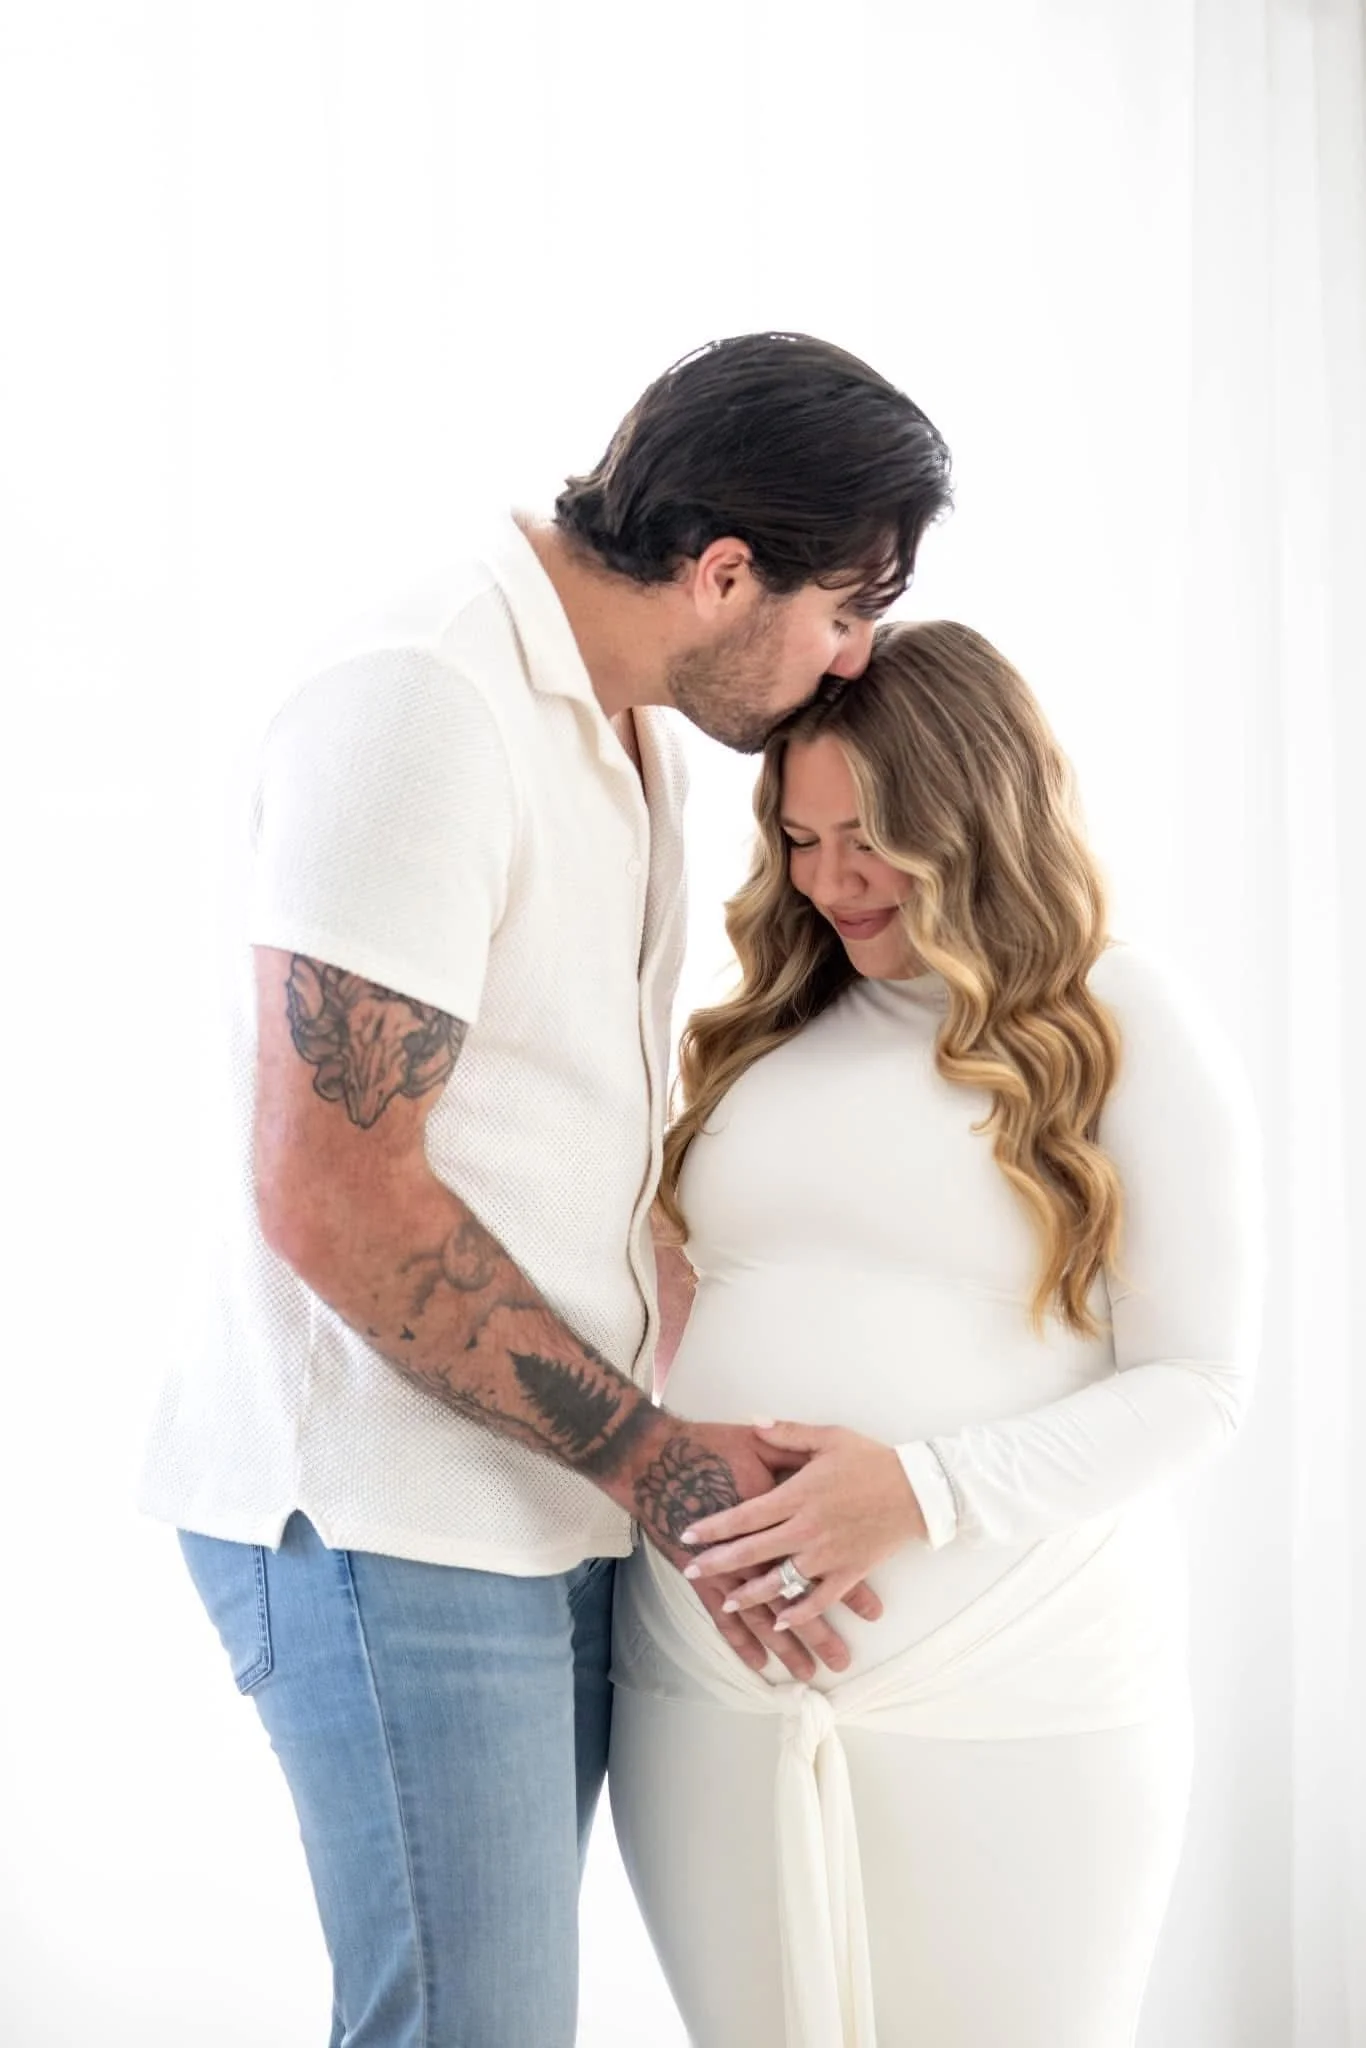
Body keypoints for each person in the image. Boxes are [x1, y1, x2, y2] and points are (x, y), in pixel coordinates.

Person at [137, 333, 952, 2047]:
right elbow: (334, 1190)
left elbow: (556, 1121)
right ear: (725, 572)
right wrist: (658, 1467)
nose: (849, 658)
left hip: (537, 1493)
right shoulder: (429, 701)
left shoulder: (621, 719)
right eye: (840, 610)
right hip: (391, 1515)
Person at [609, 619, 1263, 2048]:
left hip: (1017, 1696)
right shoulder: (767, 1030)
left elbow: (1201, 1385)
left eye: (873, 841)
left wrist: (915, 1491)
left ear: (979, 818)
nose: (830, 881)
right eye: (798, 836)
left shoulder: (1118, 1019)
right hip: (709, 1687)